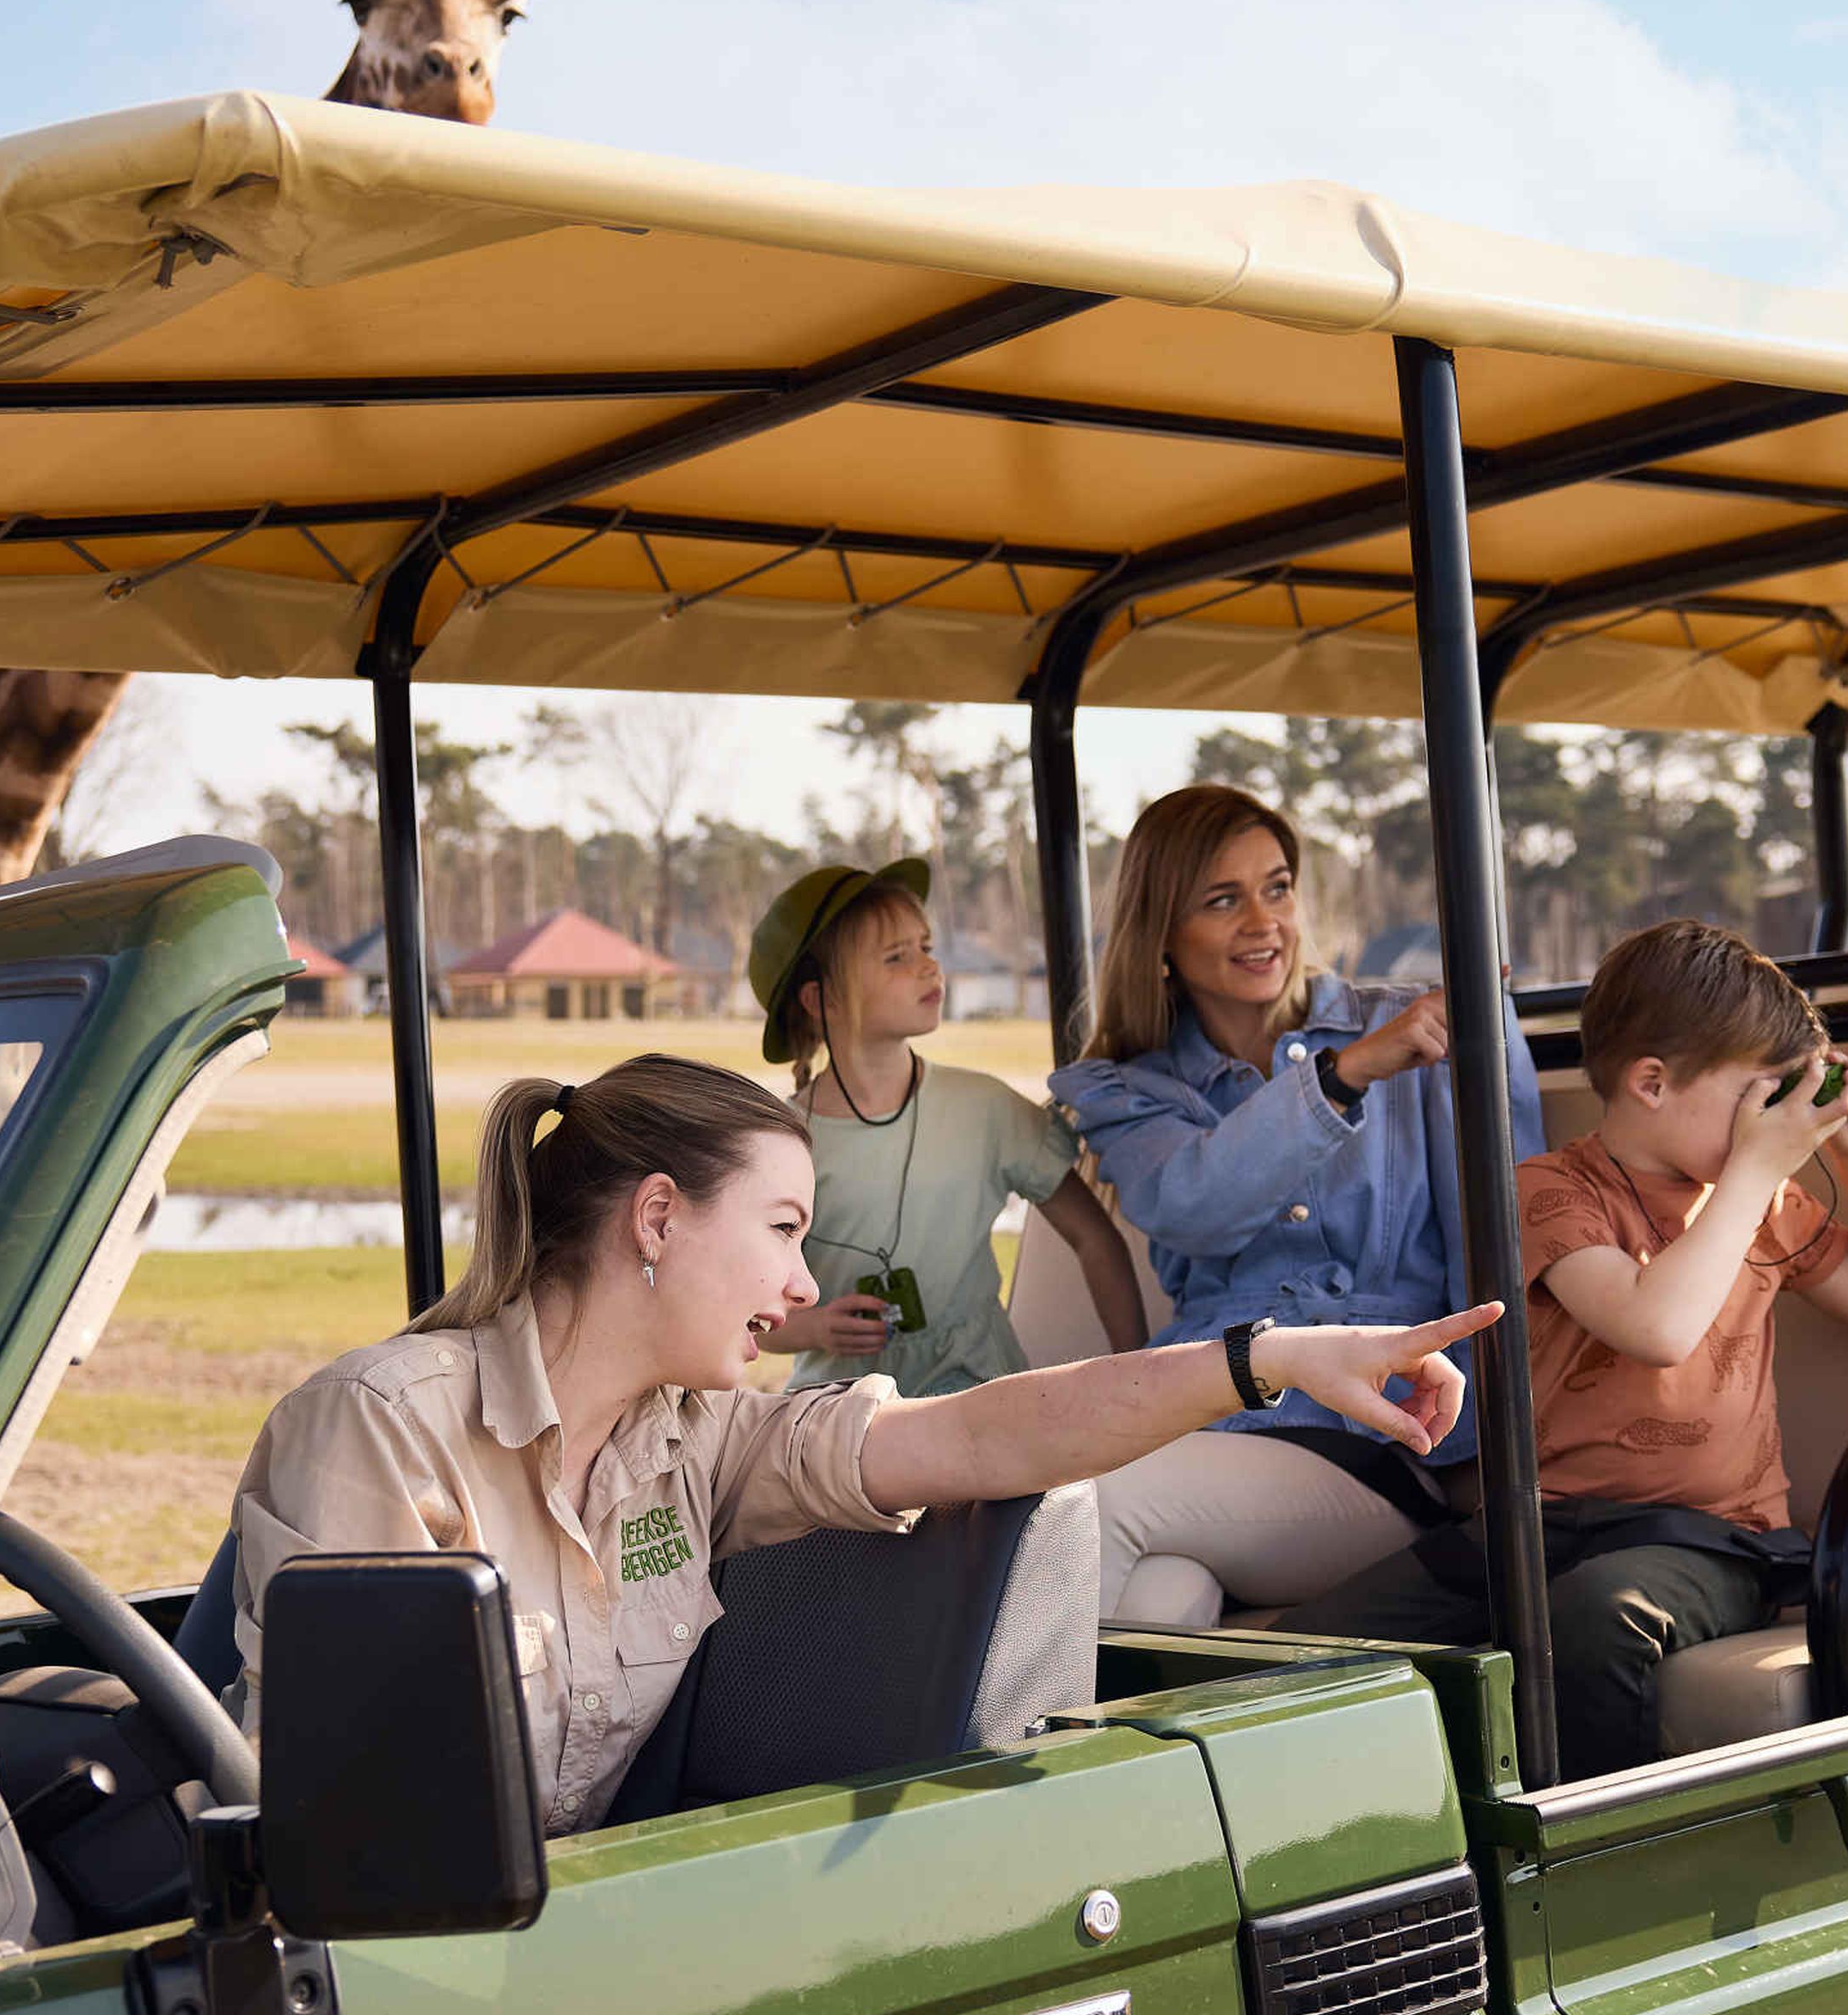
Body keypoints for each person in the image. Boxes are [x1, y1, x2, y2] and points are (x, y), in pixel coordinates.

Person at [225, 1053, 1496, 1834]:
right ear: (658, 1218)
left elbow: (986, 1435)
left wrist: (1258, 1362)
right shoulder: (386, 1429)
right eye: (782, 1228)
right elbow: (341, 1830)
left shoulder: (701, 1446)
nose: (797, 1284)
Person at [1279, 919, 1848, 1777]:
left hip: (1711, 1541)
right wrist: (1756, 1171)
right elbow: (1652, 1324)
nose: (1768, 1127)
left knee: (1596, 1617)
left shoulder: (1759, 1201)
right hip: (1542, 1526)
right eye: (1754, 1098)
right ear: (1652, 1083)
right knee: (1311, 1652)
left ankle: (1592, 1860)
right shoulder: (1549, 1192)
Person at [1049, 785, 1545, 1628]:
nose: (1263, 921)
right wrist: (1342, 1075)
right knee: (1161, 1601)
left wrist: (1489, 1468)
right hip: (1198, 1418)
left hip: (1372, 1444)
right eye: (1222, 900)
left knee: (1079, 1501)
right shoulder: (1128, 1089)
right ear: (1162, 933)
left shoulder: (1420, 1030)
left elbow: (1506, 1253)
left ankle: (941, 1756)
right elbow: (1194, 1201)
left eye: (1276, 887)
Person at [743, 857, 1147, 1397]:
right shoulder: (780, 1143)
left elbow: (1095, 1237)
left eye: (926, 948)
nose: (930, 968)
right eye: (896, 957)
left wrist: (1139, 1374)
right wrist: (812, 1327)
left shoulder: (986, 1109)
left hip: (983, 1396)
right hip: (839, 1418)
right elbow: (748, 1306)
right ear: (822, 999)